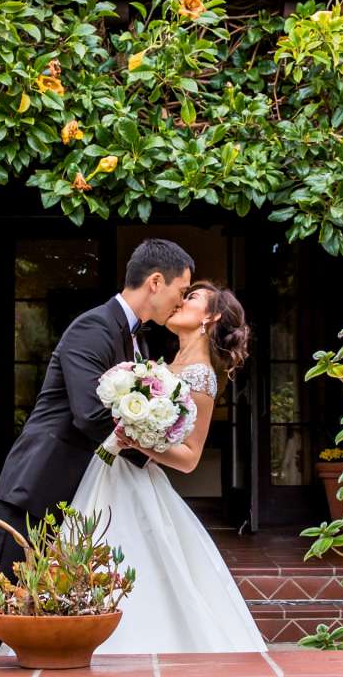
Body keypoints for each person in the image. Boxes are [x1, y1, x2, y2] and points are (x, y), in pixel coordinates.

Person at [0, 238, 191, 657]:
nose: (181, 300)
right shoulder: (93, 327)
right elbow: (89, 414)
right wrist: (153, 449)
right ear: (156, 281)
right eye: (180, 290)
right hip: (40, 487)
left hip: (80, 496)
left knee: (47, 604)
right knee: (3, 597)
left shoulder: (140, 343)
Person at [79, 280, 266, 654]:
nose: (181, 301)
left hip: (137, 475)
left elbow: (190, 456)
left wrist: (137, 440)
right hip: (112, 468)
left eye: (192, 298)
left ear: (210, 317)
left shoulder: (201, 375)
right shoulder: (164, 364)